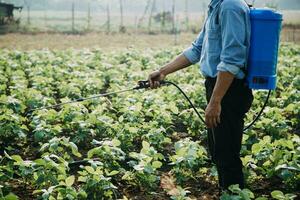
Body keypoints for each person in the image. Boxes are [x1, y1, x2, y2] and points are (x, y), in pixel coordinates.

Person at [148, 0, 254, 191]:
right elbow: (197, 48)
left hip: (228, 89)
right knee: (219, 151)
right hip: (219, 87)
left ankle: (233, 194)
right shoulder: (217, 6)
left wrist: (216, 101)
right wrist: (163, 71)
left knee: (227, 154)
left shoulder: (230, 6)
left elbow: (232, 59)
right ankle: (227, 192)